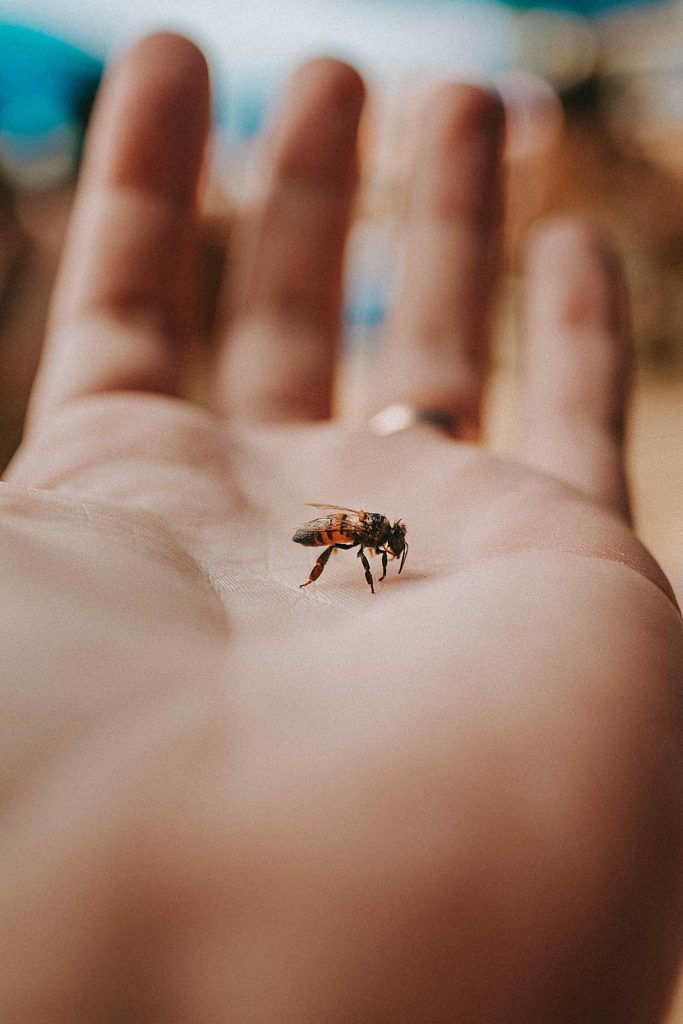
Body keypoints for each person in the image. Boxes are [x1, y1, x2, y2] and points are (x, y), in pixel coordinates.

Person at [0, 31, 681, 1023]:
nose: (390, 553)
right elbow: (341, 537)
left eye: (387, 548)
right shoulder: (358, 537)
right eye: (388, 548)